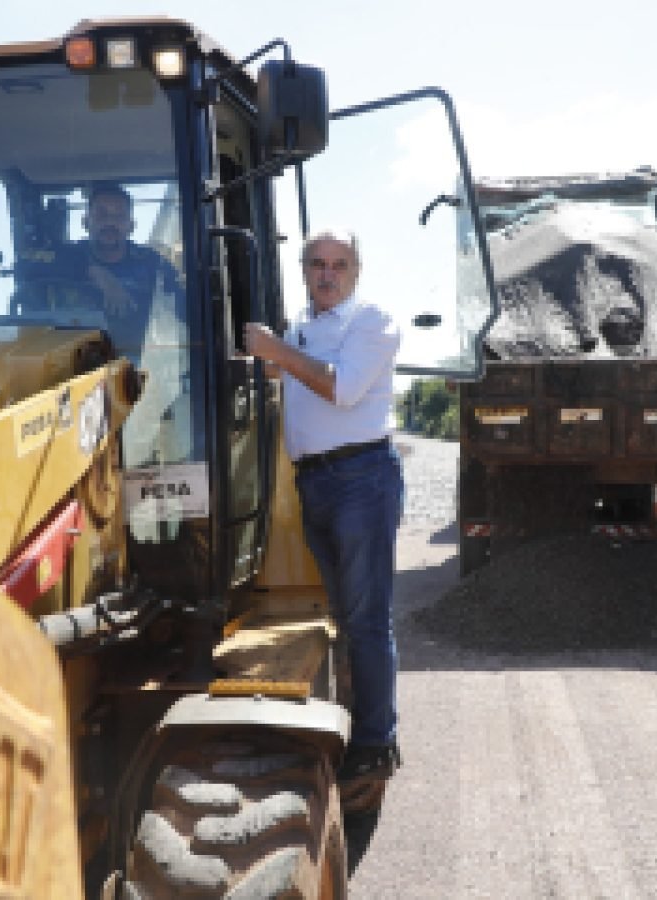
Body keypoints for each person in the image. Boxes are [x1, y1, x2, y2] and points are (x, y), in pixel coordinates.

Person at [243, 229, 404, 809]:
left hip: (363, 479)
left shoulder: (373, 321)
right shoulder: (300, 331)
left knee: (366, 619)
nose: (327, 274)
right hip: (317, 482)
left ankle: (376, 743)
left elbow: (340, 389)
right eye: (317, 264)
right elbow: (283, 377)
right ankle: (356, 722)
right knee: (343, 613)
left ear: (356, 271)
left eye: (338, 264)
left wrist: (275, 351)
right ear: (304, 270)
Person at [57, 182, 181, 355]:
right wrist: (95, 273)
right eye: (101, 215)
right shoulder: (65, 257)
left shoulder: (151, 263)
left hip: (134, 364)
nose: (110, 222)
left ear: (131, 226)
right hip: (65, 363)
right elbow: (28, 268)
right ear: (85, 222)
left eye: (119, 216)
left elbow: (187, 304)